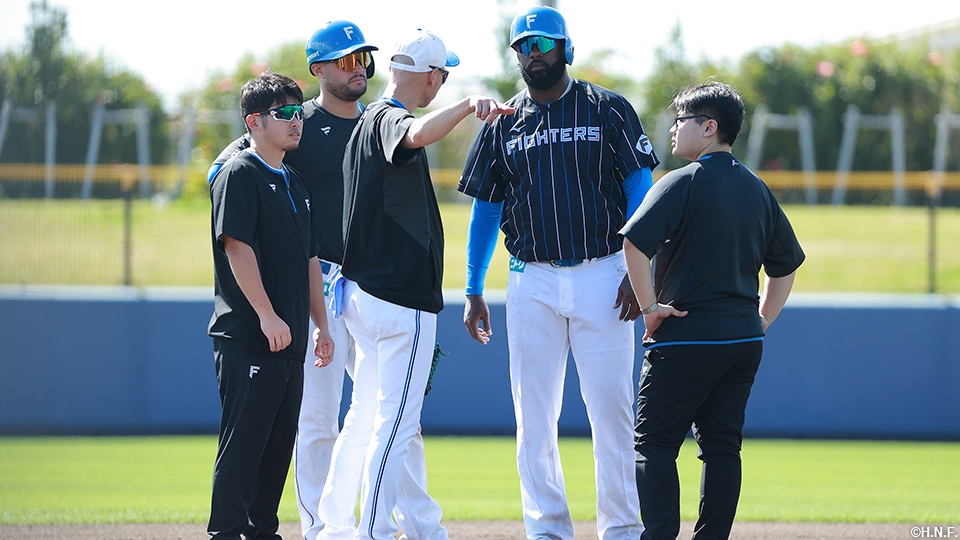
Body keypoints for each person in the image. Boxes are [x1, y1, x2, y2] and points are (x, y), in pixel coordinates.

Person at [208, 21, 449, 540]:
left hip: (368, 285)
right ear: (318, 69)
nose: (357, 66)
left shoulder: (379, 122)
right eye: (343, 60)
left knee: (394, 417)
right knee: (317, 420)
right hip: (317, 282)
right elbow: (226, 167)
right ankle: (321, 528)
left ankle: (416, 524)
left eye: (362, 57)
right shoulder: (297, 121)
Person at [457, 6, 659, 540]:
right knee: (534, 422)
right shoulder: (503, 123)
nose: (533, 53)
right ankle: (547, 530)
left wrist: (639, 272)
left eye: (543, 43)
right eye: (522, 45)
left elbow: (642, 193)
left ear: (566, 47)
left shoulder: (608, 108)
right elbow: (485, 211)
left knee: (612, 416)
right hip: (532, 279)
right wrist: (474, 286)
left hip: (605, 274)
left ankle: (621, 529)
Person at [316, 28, 513, 540]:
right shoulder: (386, 117)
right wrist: (469, 105)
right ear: (431, 76)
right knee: (395, 426)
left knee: (364, 418)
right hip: (397, 300)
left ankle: (333, 527)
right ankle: (373, 533)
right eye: (443, 76)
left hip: (364, 295)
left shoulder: (363, 122)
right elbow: (416, 134)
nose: (441, 84)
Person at [619, 82, 805, 540]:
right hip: (742, 341)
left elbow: (633, 243)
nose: (675, 129)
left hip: (685, 336)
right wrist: (761, 318)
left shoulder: (682, 181)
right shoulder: (757, 188)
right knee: (723, 447)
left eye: (681, 121)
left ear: (709, 127)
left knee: (654, 444)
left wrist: (649, 308)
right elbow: (786, 266)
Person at [206, 71, 335, 540]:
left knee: (279, 446)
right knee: (244, 445)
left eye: (298, 111)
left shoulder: (297, 183)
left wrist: (321, 326)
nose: (296, 120)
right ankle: (227, 532)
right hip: (248, 336)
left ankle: (262, 531)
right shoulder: (240, 171)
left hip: (292, 341)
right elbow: (236, 247)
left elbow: (310, 260)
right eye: (284, 113)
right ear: (254, 121)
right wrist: (266, 315)